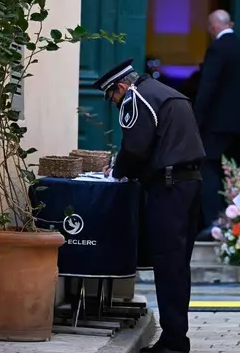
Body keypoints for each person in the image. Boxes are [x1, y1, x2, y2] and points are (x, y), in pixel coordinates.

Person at [94, 58, 205, 353]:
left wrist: (116, 172)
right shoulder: (168, 92)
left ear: (120, 87)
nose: (115, 103)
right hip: (191, 183)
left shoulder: (135, 98)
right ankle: (176, 335)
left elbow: (135, 147)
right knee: (179, 266)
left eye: (113, 97)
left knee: (168, 265)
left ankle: (173, 343)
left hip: (168, 188)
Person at [194, 9, 240, 241]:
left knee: (208, 169)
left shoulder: (216, 49)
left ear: (213, 27)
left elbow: (207, 88)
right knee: (237, 172)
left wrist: (196, 122)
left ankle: (214, 222)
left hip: (217, 126)